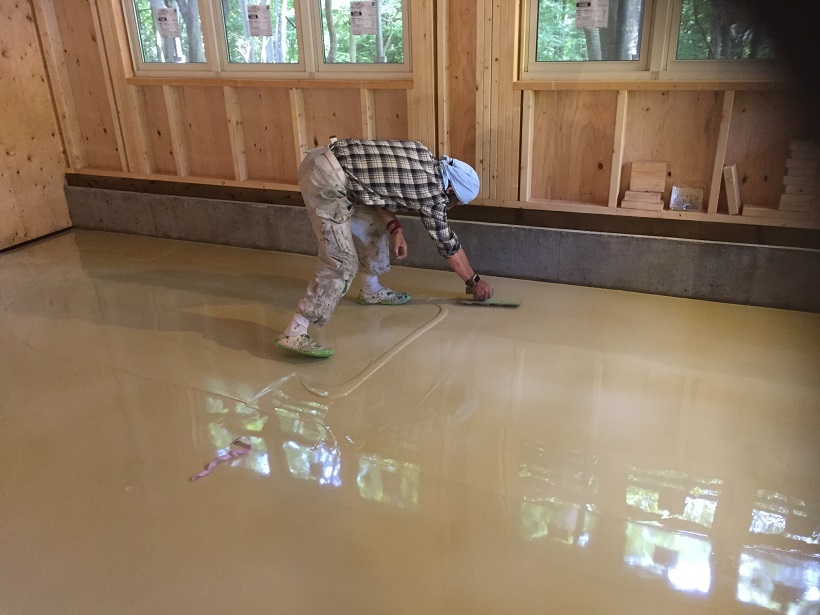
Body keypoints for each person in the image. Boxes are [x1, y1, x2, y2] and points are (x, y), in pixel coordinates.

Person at [276, 138, 494, 358]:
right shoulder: (432, 192)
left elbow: (376, 190)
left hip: (335, 170)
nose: (452, 206)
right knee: (342, 261)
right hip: (325, 177)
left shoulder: (423, 156)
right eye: (456, 201)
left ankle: (371, 290)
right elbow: (447, 245)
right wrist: (473, 281)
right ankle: (295, 330)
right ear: (449, 189)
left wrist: (395, 229)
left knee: (376, 228)